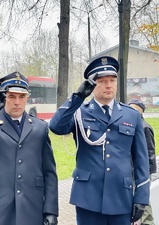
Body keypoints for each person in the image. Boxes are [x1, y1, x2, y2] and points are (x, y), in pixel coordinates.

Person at [49, 56, 150, 225]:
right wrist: (77, 97)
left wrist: (141, 196)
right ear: (93, 85)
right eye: (102, 81)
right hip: (88, 197)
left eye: (112, 80)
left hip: (121, 197)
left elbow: (142, 159)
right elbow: (56, 127)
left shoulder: (131, 115)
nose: (108, 85)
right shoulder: (80, 111)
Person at [0, 71, 58, 225]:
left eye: (21, 97)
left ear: (27, 98)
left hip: (31, 207)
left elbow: (49, 172)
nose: (17, 102)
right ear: (4, 98)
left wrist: (51, 210)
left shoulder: (40, 127)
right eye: (11, 96)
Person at [128, 98, 156, 225]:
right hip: (132, 170)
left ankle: (148, 223)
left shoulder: (145, 127)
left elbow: (150, 151)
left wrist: (147, 172)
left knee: (143, 201)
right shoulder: (131, 126)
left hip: (141, 172)